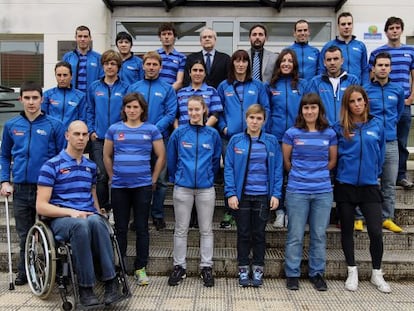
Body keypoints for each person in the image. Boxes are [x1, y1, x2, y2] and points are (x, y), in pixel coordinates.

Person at [36, 121, 125, 307]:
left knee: (98, 222)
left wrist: (97, 211)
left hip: (86, 215)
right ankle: (86, 287)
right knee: (81, 225)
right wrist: (72, 212)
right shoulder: (51, 166)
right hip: (61, 219)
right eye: (77, 134)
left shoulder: (91, 166)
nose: (81, 138)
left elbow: (91, 194)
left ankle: (111, 282)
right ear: (67, 136)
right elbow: (41, 206)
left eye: (85, 134)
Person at [0, 81, 65, 286]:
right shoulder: (11, 126)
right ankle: (25, 271)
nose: (31, 102)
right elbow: (3, 155)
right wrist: (4, 180)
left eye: (35, 97)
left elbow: (62, 157)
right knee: (24, 233)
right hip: (20, 187)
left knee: (49, 232)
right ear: (20, 99)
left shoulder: (54, 125)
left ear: (42, 99)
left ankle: (49, 270)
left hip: (45, 189)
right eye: (26, 98)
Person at [103, 93, 166, 286]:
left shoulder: (151, 129)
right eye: (128, 107)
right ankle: (120, 268)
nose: (132, 110)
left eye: (135, 107)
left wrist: (153, 179)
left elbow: (161, 156)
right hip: (120, 188)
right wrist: (113, 178)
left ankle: (140, 268)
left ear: (142, 110)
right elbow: (107, 155)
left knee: (141, 228)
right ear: (124, 109)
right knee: (120, 229)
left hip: (143, 187)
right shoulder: (114, 129)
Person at [333, 85, 391, 293]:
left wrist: (373, 172)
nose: (357, 104)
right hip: (345, 185)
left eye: (359, 100)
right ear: (347, 105)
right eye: (352, 101)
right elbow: (335, 154)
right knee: (347, 229)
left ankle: (377, 273)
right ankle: (352, 270)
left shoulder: (377, 125)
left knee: (376, 231)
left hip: (369, 186)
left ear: (366, 101)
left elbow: (381, 153)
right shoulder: (339, 127)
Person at [283, 93, 337, 291]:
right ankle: (292, 273)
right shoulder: (292, 133)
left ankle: (317, 273)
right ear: (301, 111)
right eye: (306, 108)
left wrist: (317, 174)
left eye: (313, 107)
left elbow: (332, 161)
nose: (309, 111)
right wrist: (302, 174)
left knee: (319, 235)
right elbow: (287, 162)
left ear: (319, 110)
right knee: (295, 234)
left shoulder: (329, 133)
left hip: (322, 191)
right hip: (297, 190)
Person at [224, 104, 282, 287]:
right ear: (246, 119)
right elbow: (229, 169)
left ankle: (257, 268)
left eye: (259, 118)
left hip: (262, 196)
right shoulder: (236, 140)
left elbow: (278, 170)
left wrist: (276, 194)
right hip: (242, 196)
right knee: (243, 233)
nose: (255, 122)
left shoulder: (271, 141)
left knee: (258, 234)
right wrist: (231, 193)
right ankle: (242, 268)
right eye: (252, 118)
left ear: (264, 121)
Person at [167, 96, 222, 287]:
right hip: (183, 187)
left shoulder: (213, 134)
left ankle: (206, 267)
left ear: (204, 110)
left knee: (206, 229)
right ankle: (179, 267)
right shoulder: (179, 133)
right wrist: (178, 178)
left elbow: (215, 161)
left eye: (197, 109)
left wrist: (208, 176)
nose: (193, 113)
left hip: (206, 189)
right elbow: (171, 160)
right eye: (190, 110)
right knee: (181, 229)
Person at [217, 49, 270, 229]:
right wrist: (224, 127)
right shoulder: (224, 86)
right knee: (230, 172)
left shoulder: (257, 86)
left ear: (248, 64)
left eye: (244, 61)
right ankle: (229, 211)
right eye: (237, 61)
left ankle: (246, 210)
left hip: (254, 136)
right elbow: (219, 110)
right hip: (230, 138)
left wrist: (262, 130)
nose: (240, 64)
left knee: (250, 171)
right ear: (233, 64)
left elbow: (266, 109)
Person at [128, 51, 177, 230]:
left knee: (161, 181)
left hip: (160, 139)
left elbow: (171, 113)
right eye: (148, 64)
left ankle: (157, 215)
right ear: (143, 66)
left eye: (154, 64)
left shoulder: (167, 88)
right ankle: (138, 218)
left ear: (160, 67)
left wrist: (154, 130)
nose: (151, 67)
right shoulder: (134, 87)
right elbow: (127, 111)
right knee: (137, 180)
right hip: (136, 140)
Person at [369, 16, 414, 189]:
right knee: (378, 140)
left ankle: (400, 175)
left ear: (401, 30)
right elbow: (371, 77)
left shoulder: (410, 51)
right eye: (391, 28)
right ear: (386, 31)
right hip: (382, 105)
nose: (394, 31)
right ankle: (381, 175)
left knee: (400, 142)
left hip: (402, 103)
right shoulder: (376, 53)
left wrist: (411, 98)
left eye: (397, 28)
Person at [363, 52, 405, 233]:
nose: (383, 68)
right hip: (371, 141)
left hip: (390, 142)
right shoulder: (365, 90)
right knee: (366, 180)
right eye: (379, 65)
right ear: (373, 68)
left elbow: (400, 111)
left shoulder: (397, 90)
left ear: (390, 68)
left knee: (388, 182)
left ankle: (387, 217)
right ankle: (359, 216)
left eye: (386, 65)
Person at [265, 49, 307, 228]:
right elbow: (267, 111)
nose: (286, 64)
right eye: (283, 61)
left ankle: (292, 212)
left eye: (290, 61)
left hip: (298, 139)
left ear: (294, 64)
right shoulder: (271, 86)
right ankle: (279, 211)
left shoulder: (303, 85)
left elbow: (309, 109)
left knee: (295, 176)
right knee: (277, 176)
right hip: (277, 138)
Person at [86, 49, 129, 213]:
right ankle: (103, 208)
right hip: (99, 138)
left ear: (118, 67)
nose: (109, 67)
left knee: (118, 174)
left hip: (119, 138)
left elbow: (129, 111)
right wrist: (91, 130)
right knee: (102, 174)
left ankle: (118, 209)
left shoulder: (126, 87)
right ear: (102, 66)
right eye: (106, 63)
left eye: (113, 64)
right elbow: (89, 110)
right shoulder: (94, 87)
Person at [307, 46, 359, 125]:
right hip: (324, 130)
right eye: (329, 60)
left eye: (335, 59)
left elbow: (357, 106)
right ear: (324, 62)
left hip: (346, 129)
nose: (332, 63)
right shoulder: (315, 82)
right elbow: (311, 108)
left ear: (342, 60)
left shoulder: (352, 80)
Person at [319, 12, 369, 84]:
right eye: (343, 24)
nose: (346, 27)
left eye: (349, 24)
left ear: (352, 25)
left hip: (356, 87)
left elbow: (365, 70)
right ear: (338, 26)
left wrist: (365, 87)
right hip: (336, 87)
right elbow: (321, 69)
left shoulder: (360, 46)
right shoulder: (328, 46)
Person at [176, 60, 222, 127]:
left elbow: (215, 115)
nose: (198, 73)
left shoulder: (212, 91)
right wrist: (178, 131)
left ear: (205, 73)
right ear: (190, 73)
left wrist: (204, 130)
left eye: (201, 70)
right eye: (195, 70)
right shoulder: (180, 93)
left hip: (204, 134)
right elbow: (175, 116)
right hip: (183, 135)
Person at [42, 61, 87, 130]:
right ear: (55, 76)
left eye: (65, 75)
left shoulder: (80, 96)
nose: (62, 79)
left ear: (71, 76)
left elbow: (82, 119)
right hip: (53, 135)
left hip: (72, 135)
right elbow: (43, 118)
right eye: (59, 75)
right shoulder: (47, 95)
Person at [63, 25, 104, 93]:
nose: (82, 39)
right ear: (75, 38)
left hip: (91, 98)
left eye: (85, 36)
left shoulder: (98, 58)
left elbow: (102, 80)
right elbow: (62, 78)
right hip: (72, 98)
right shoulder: (67, 57)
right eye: (80, 36)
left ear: (90, 38)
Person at [157, 22, 186, 91]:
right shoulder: (154, 55)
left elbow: (179, 82)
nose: (166, 37)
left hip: (172, 94)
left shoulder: (181, 58)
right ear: (160, 37)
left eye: (169, 34)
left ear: (174, 37)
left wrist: (167, 92)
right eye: (163, 34)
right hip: (155, 93)